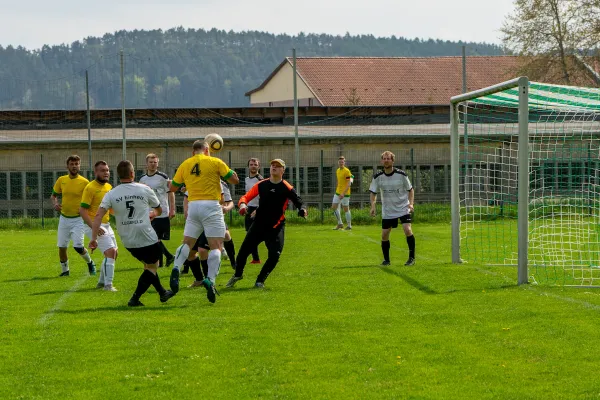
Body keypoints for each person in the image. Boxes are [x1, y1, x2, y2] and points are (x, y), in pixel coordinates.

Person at [89, 160, 175, 307]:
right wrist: (153, 214)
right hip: (145, 235)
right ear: (132, 173)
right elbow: (159, 209)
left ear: (118, 175)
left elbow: (98, 216)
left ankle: (162, 292)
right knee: (153, 265)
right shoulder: (144, 189)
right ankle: (134, 298)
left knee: (149, 266)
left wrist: (93, 238)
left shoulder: (111, 194)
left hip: (127, 239)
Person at [169, 140, 239, 303]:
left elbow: (172, 187)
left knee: (187, 242)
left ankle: (176, 267)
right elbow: (234, 180)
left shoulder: (185, 164)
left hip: (193, 206)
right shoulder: (215, 161)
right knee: (216, 246)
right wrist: (229, 172)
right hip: (212, 206)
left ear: (193, 151)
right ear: (207, 150)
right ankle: (211, 280)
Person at [226, 159, 307, 289]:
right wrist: (242, 205)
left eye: (277, 166)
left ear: (283, 170)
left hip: (276, 226)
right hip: (259, 225)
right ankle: (238, 274)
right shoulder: (262, 185)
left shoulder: (287, 187)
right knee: (242, 253)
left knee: (275, 255)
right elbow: (245, 197)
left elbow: (300, 202)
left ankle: (260, 281)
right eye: (272, 165)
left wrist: (302, 210)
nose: (274, 167)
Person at [183, 180, 236, 287]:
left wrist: (226, 208)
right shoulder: (194, 180)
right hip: (197, 221)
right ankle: (199, 280)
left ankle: (210, 279)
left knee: (204, 249)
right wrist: (187, 212)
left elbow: (229, 202)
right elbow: (186, 198)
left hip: (213, 220)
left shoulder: (221, 184)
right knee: (189, 252)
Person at [50, 155, 96, 277]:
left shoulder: (85, 182)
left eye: (76, 164)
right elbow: (53, 195)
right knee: (62, 246)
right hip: (64, 218)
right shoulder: (61, 180)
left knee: (78, 246)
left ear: (79, 166)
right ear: (68, 166)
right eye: (72, 164)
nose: (74, 166)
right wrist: (55, 204)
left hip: (78, 219)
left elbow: (90, 200)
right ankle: (65, 271)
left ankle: (90, 263)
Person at [369, 151, 415, 266]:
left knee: (407, 230)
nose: (386, 160)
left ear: (393, 161)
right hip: (388, 210)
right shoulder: (378, 177)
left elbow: (410, 190)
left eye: (388, 159)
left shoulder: (402, 174)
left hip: (403, 207)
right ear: (381, 161)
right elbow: (373, 193)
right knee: (384, 234)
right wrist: (373, 206)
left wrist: (411, 204)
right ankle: (386, 260)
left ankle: (411, 258)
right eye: (384, 158)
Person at [80, 161, 119, 291]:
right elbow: (82, 211)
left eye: (107, 170)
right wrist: (94, 228)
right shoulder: (90, 188)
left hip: (106, 224)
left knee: (114, 253)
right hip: (94, 224)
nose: (106, 173)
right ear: (95, 172)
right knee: (110, 252)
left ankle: (102, 282)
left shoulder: (109, 187)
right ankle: (108, 285)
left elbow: (110, 209)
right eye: (102, 170)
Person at [139, 153, 176, 268]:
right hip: (148, 213)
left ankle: (164, 260)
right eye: (151, 162)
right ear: (146, 164)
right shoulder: (142, 179)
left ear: (157, 164)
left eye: (155, 162)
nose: (153, 164)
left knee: (156, 239)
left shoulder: (163, 177)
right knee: (153, 239)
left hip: (162, 212)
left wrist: (172, 209)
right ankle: (166, 258)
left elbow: (171, 193)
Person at [244, 157, 263, 263]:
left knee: (258, 234)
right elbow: (247, 195)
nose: (253, 166)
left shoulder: (260, 180)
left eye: (255, 164)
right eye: (251, 164)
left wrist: (258, 209)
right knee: (249, 233)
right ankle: (255, 258)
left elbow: (264, 197)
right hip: (249, 208)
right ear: (248, 166)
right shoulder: (247, 179)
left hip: (258, 209)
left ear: (258, 167)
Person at [332, 156, 354, 230]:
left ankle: (349, 225)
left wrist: (343, 193)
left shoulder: (347, 171)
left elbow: (349, 183)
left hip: (345, 193)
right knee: (334, 207)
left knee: (345, 209)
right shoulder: (337, 170)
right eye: (340, 162)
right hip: (338, 192)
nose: (341, 163)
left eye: (342, 162)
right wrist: (338, 187)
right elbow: (339, 181)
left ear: (344, 163)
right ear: (338, 163)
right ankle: (340, 223)